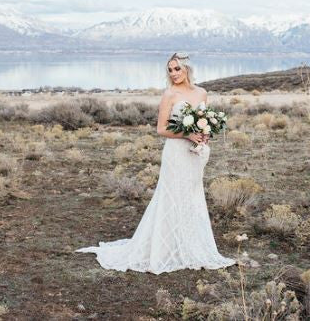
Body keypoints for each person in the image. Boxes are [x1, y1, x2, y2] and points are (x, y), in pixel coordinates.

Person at [75, 52, 236, 274]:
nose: (173, 73)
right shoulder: (170, 94)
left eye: (177, 68)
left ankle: (189, 245)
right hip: (176, 152)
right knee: (171, 195)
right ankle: (166, 247)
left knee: (192, 195)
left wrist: (203, 135)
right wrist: (187, 135)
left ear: (187, 69)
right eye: (170, 70)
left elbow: (202, 121)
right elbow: (161, 129)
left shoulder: (201, 93)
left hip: (195, 153)